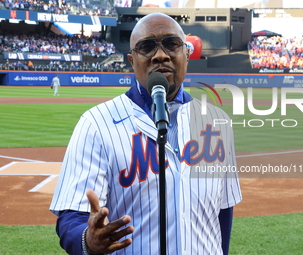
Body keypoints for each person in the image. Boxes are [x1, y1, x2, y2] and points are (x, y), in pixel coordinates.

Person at [50, 12, 242, 255]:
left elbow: (223, 211)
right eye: (147, 47)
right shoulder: (96, 123)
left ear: (187, 54)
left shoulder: (217, 121)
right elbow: (72, 216)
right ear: (132, 60)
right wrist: (88, 240)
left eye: (172, 44)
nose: (160, 55)